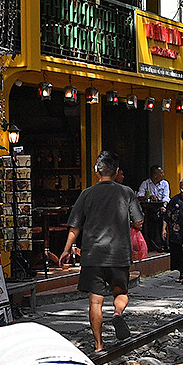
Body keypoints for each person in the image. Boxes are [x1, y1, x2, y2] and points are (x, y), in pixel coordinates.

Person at [62, 150, 142, 352]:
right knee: (121, 292)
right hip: (118, 254)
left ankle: (98, 345)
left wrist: (66, 250)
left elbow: (75, 227)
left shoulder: (86, 194)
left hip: (92, 254)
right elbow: (138, 222)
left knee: (95, 301)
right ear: (117, 171)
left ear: (96, 169)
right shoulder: (127, 192)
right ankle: (117, 313)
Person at [137, 165, 169, 250]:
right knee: (148, 218)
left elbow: (166, 197)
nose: (163, 174)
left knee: (163, 216)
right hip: (150, 209)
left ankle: (163, 243)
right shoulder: (146, 183)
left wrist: (164, 206)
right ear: (155, 175)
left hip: (161, 207)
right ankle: (149, 241)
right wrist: (149, 196)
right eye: (161, 173)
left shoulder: (165, 184)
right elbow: (139, 195)